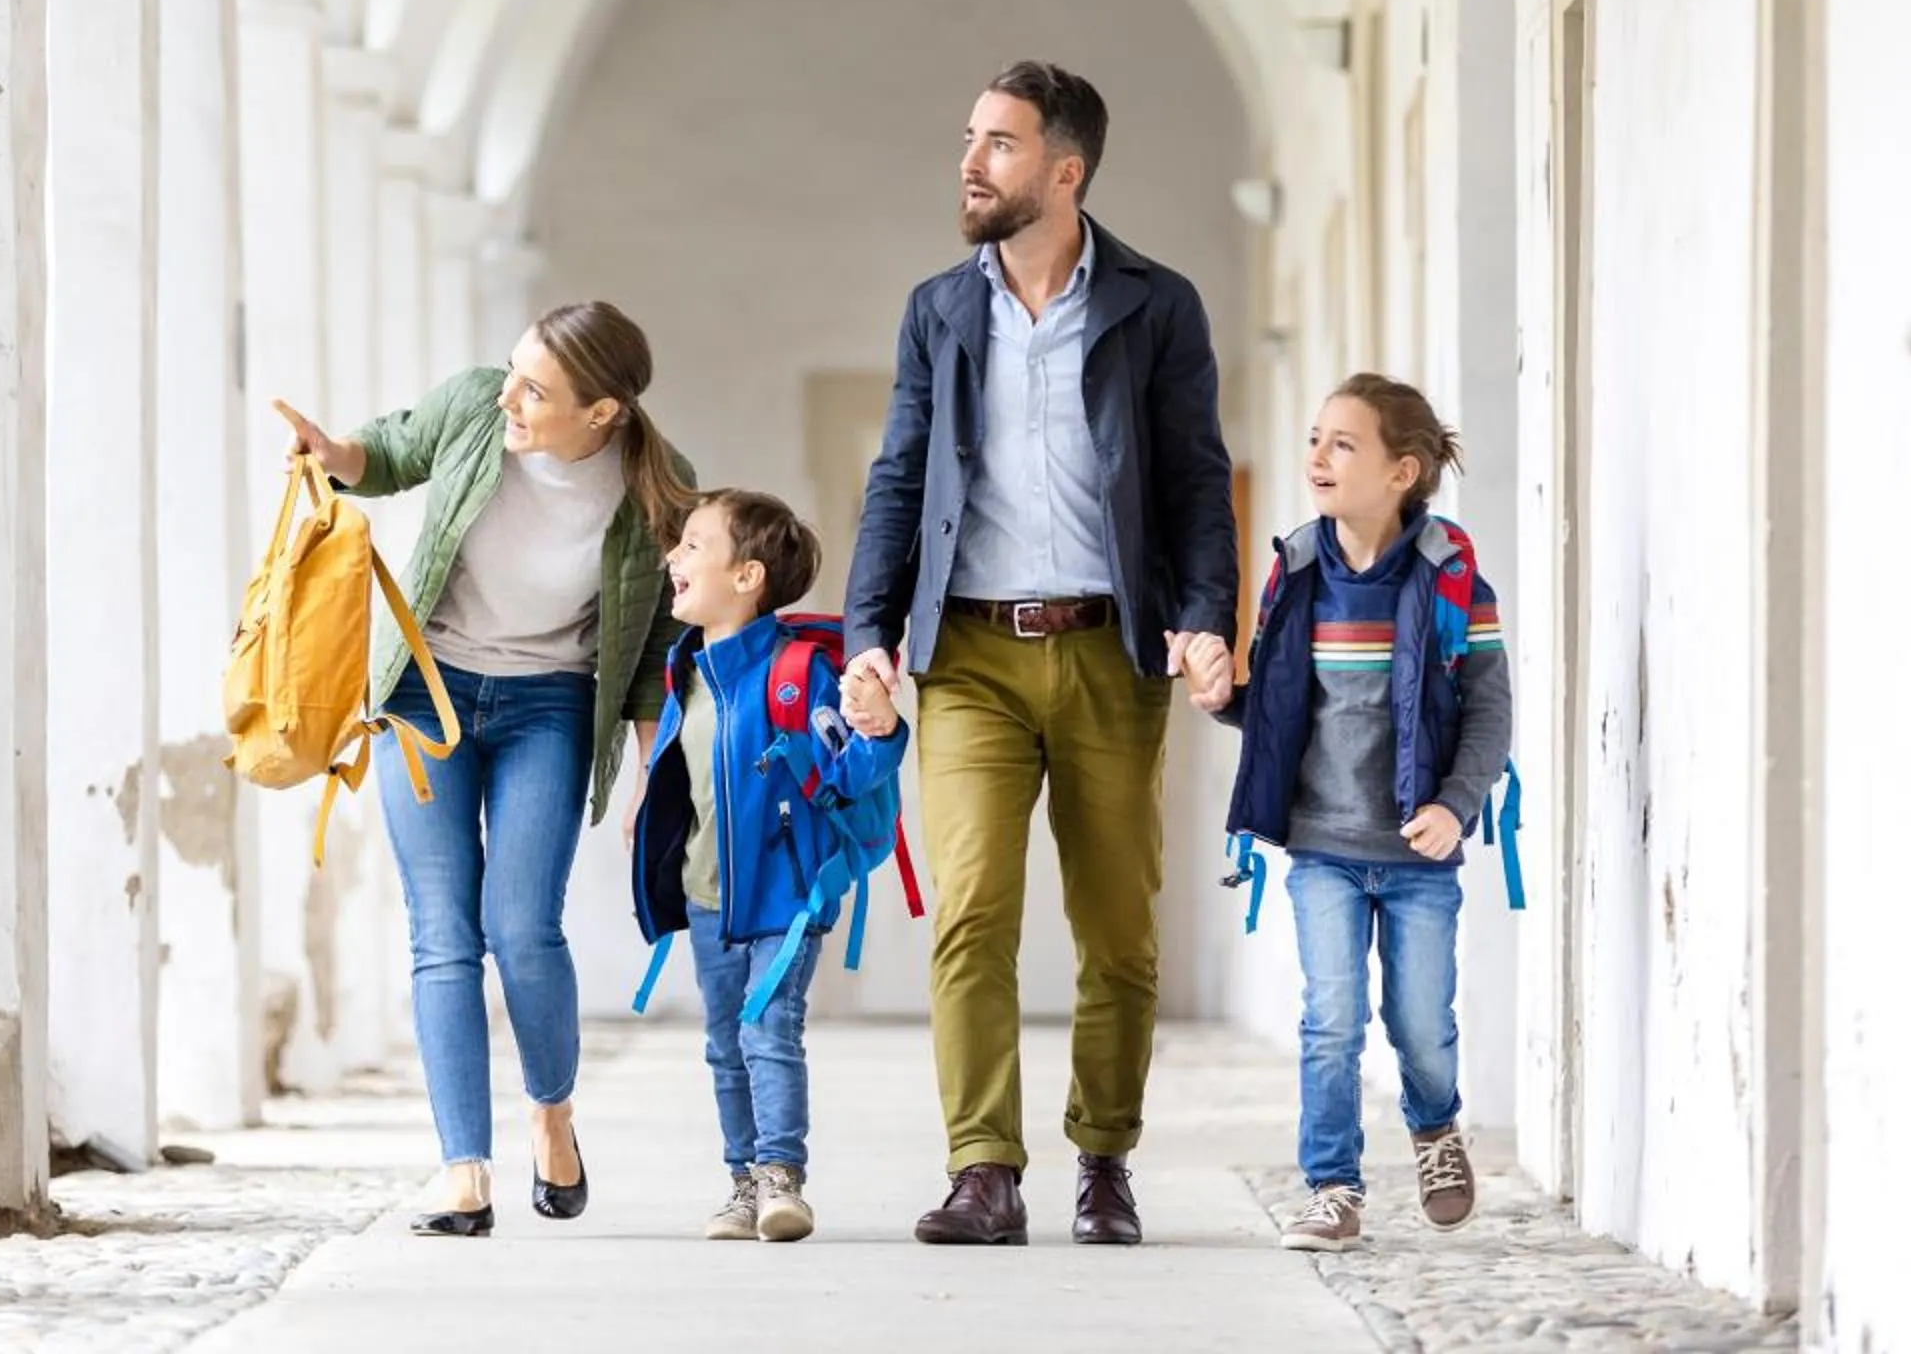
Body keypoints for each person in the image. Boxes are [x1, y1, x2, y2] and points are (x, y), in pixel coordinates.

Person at [840, 60, 1240, 1248]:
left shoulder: (1156, 305)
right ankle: (983, 1167)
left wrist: (1207, 610)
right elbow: (899, 477)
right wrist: (873, 635)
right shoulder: (938, 308)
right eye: (970, 136)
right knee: (969, 910)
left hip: (1112, 650)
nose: (971, 160)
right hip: (967, 651)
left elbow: (1195, 479)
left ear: (1066, 170)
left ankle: (1104, 1157)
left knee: (1117, 924)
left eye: (1000, 143)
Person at [273, 300, 693, 1237]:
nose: (509, 394)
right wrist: (332, 453)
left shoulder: (656, 488)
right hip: (425, 695)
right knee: (442, 933)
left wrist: (647, 771)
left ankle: (552, 1113)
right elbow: (386, 452)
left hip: (550, 705)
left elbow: (659, 641)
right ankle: (464, 1169)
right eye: (513, 369)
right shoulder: (476, 410)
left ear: (602, 413)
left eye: (536, 389)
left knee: (521, 926)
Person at [1193, 373, 1513, 1253]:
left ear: (1401, 471)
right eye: (1314, 438)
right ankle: (1332, 1188)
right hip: (1323, 847)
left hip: (1419, 853)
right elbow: (1281, 702)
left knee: (1420, 1024)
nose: (1317, 457)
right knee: (1330, 1019)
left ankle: (1436, 1128)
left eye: (1343, 443)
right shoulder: (1297, 571)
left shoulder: (1454, 581)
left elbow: (1489, 710)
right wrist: (1225, 695)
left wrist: (1456, 805)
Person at [631, 490, 908, 1244]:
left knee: (767, 1030)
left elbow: (850, 772)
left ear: (747, 576)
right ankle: (743, 1185)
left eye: (693, 546)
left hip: (786, 894)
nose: (673, 559)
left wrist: (880, 727)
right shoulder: (686, 671)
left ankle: (783, 1178)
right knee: (725, 1042)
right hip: (706, 897)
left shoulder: (796, 675)